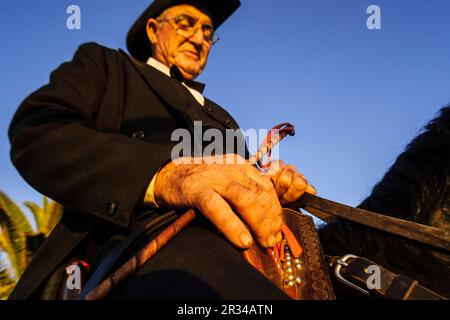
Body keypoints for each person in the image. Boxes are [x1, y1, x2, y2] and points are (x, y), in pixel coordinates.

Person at [8, 0, 315, 300]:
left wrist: (268, 185)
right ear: (154, 30)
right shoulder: (107, 66)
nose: (198, 38)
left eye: (208, 32)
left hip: (243, 248)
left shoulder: (224, 117)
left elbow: (240, 184)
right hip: (133, 242)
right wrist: (165, 176)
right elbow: (37, 129)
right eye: (186, 23)